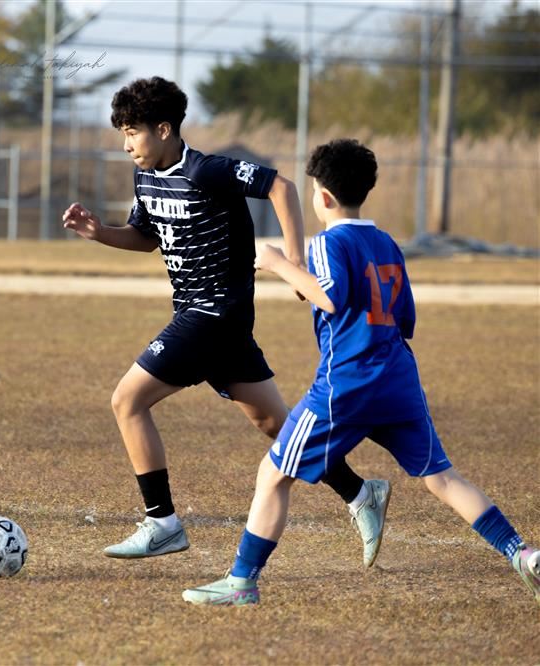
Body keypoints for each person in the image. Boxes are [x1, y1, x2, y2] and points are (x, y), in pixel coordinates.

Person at [182, 138, 539, 607]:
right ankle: (524, 553)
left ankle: (242, 582)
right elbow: (406, 318)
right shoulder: (387, 243)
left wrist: (278, 264)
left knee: (273, 475)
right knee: (444, 479)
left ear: (323, 197)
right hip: (398, 381)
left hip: (346, 386)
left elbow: (328, 295)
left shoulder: (329, 242)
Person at [62, 77, 387, 564]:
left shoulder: (208, 170)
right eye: (123, 134)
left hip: (213, 314)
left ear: (165, 129)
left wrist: (294, 263)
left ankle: (162, 523)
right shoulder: (145, 175)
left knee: (127, 401)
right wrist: (99, 233)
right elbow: (145, 235)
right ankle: (362, 493)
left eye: (133, 132)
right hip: (207, 319)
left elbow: (281, 186)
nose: (127, 144)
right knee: (275, 422)